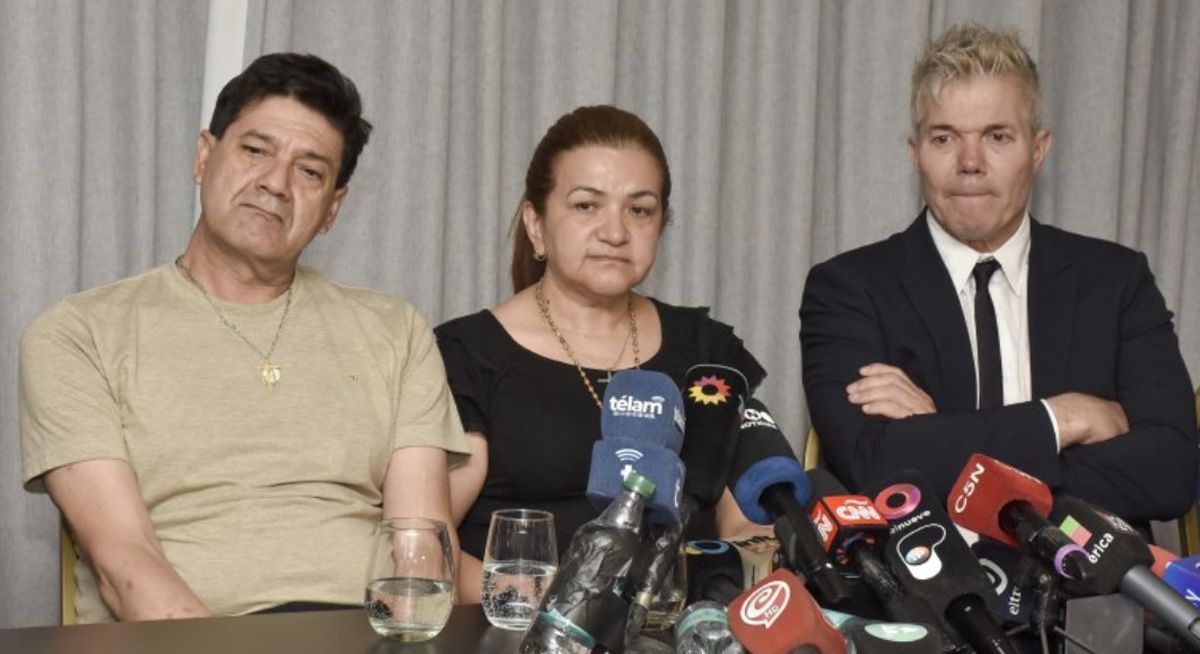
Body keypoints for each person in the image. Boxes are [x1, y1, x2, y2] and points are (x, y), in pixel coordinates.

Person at [20, 53, 469, 623]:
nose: (275, 184)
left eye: (310, 171)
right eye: (255, 151)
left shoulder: (393, 329)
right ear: (204, 157)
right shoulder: (79, 333)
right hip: (181, 649)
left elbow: (421, 549)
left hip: (361, 641)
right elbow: (125, 570)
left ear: (333, 208)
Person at [800, 24, 1198, 529]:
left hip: (1088, 597)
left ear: (1038, 149)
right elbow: (872, 468)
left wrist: (940, 437)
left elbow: (1170, 473)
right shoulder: (847, 289)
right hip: (916, 599)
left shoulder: (1117, 282)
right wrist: (1063, 419)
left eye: (997, 136)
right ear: (914, 151)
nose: (970, 163)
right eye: (944, 137)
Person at [436, 105, 768, 602]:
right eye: (587, 206)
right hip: (518, 637)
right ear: (536, 223)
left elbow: (748, 521)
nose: (615, 232)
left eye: (640, 210)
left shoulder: (706, 351)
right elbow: (429, 540)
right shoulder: (467, 355)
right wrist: (546, 609)